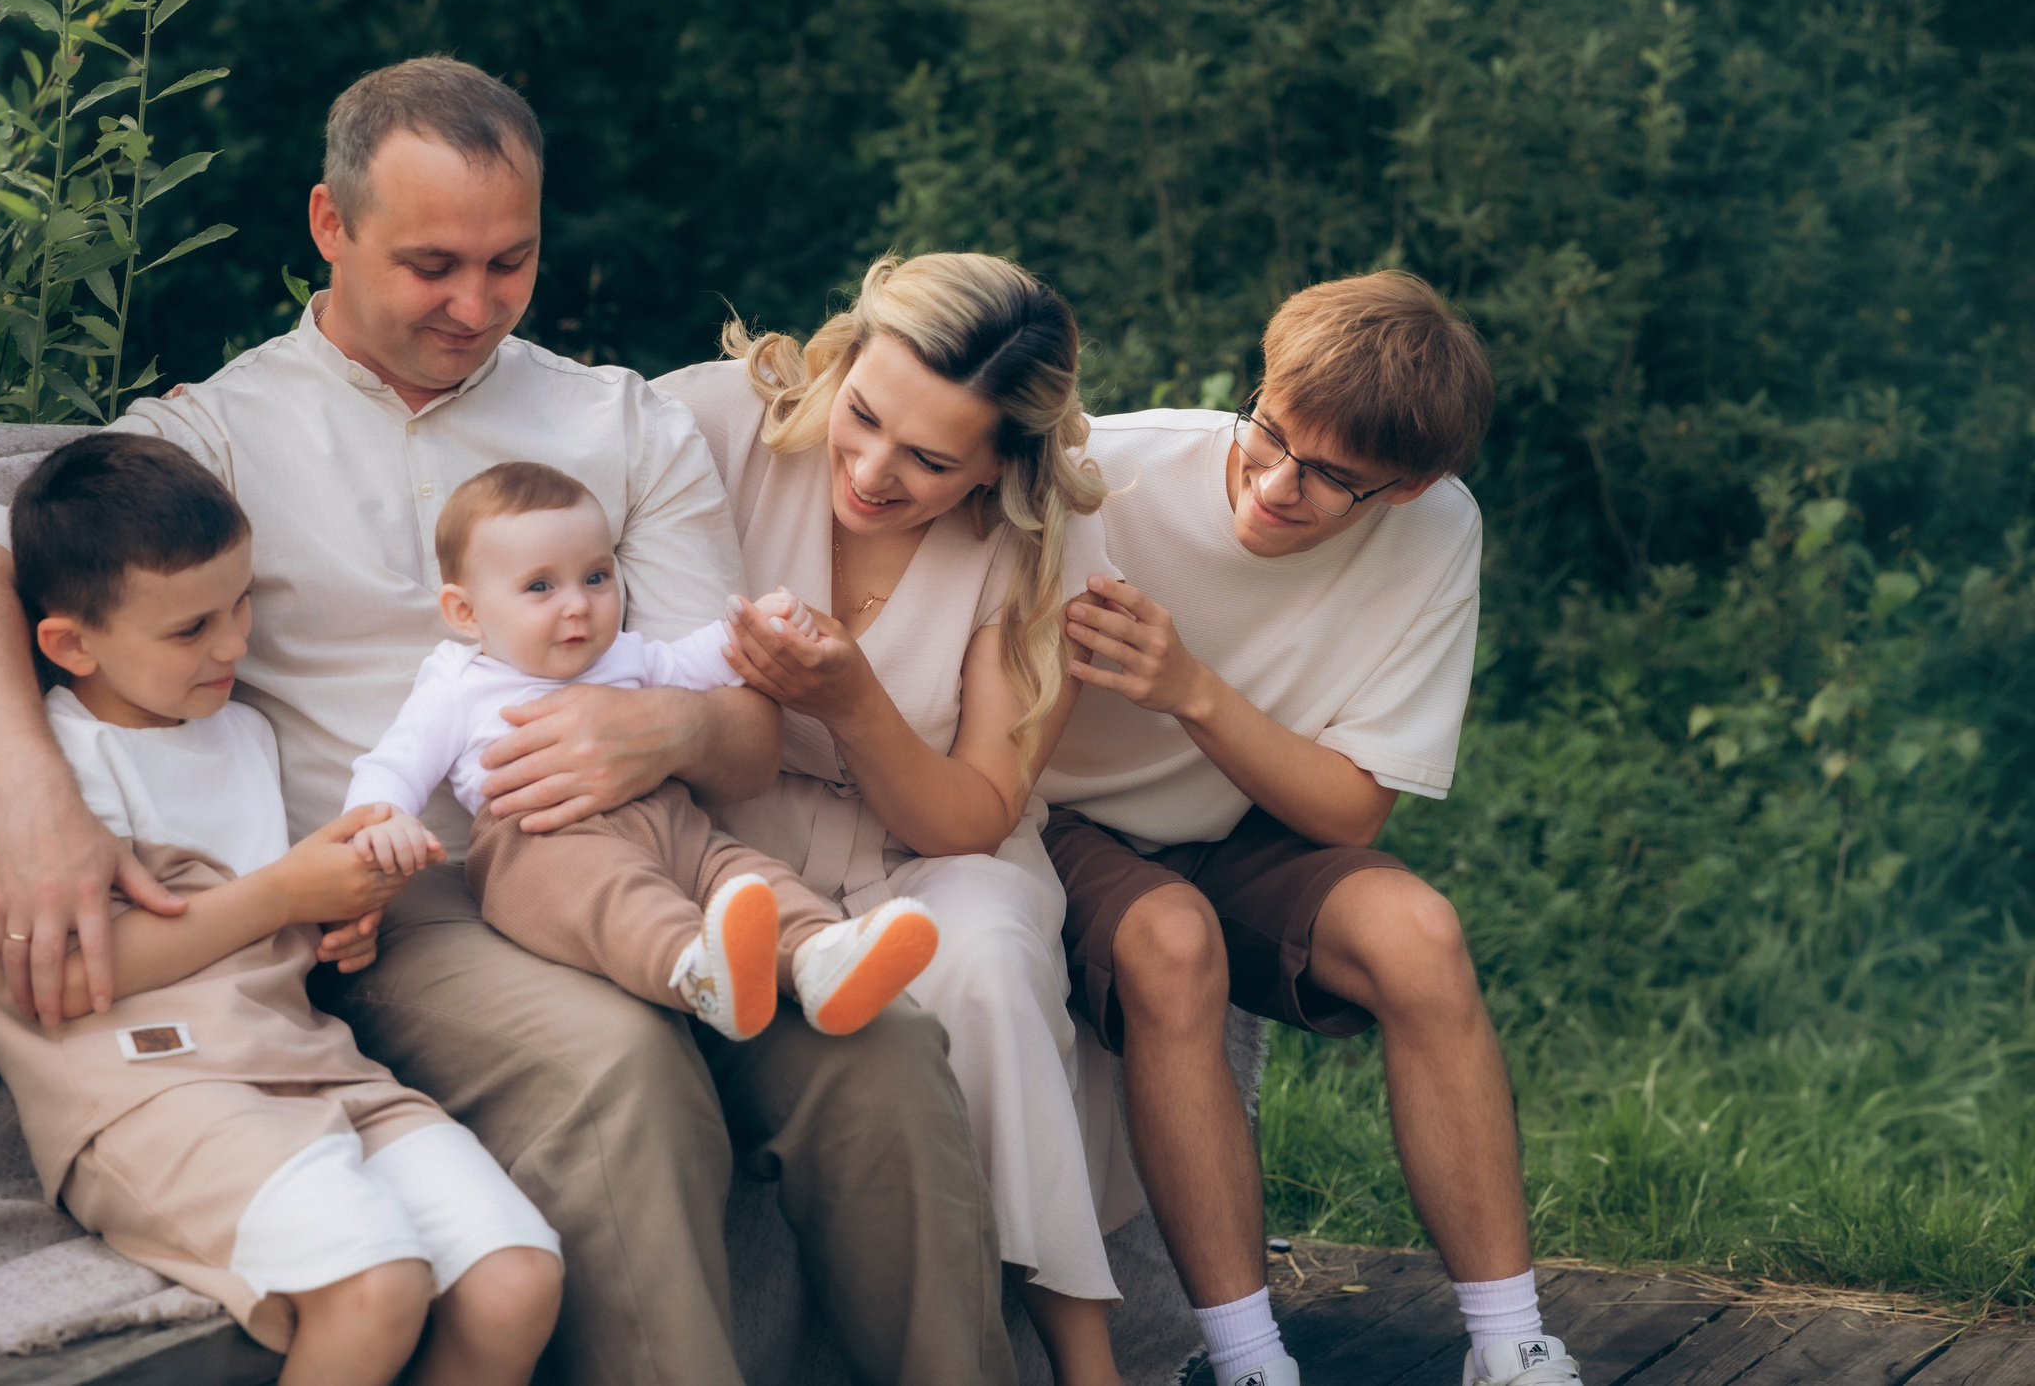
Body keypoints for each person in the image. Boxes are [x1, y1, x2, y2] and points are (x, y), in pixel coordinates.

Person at [0, 56, 1016, 1386]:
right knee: (616, 1064)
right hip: (404, 910)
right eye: (432, 263)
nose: (474, 304)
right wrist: (34, 802)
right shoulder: (221, 431)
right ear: (329, 225)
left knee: (876, 1042)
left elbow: (746, 734)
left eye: (511, 261)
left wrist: (658, 730)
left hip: (652, 854)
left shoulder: (622, 422)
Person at [1038, 271, 1584, 1386]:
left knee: (1419, 932)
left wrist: (1191, 689)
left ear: (1406, 486)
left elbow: (1350, 806)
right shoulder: (1104, 471)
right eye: (1269, 434)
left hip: (1236, 826)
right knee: (1170, 938)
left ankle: (1509, 1341)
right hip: (1059, 822)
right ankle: (1245, 1358)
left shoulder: (1437, 532)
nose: (1277, 485)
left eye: (1333, 478)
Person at [0, 430, 562, 1386]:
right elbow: (59, 980)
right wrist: (280, 894)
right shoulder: (51, 779)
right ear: (72, 645)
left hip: (308, 1066)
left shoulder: (242, 734)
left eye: (242, 605)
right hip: (149, 1090)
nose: (234, 643)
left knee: (515, 1279)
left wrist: (330, 924)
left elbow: (254, 938)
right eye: (190, 629)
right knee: (376, 1285)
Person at [655, 251, 1128, 1386]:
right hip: (732, 840)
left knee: (989, 962)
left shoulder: (1041, 537)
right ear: (844, 357)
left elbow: (973, 810)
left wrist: (853, 701)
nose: (869, 469)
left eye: (929, 460)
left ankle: (1087, 1359)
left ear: (999, 465)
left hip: (933, 846)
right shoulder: (711, 422)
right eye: (861, 416)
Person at [340, 459, 941, 1041]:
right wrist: (383, 816)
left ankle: (820, 954)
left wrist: (765, 623)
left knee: (743, 876)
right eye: (540, 586)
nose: (578, 604)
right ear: (465, 612)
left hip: (669, 819)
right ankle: (693, 968)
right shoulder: (458, 681)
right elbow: (396, 760)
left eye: (596, 577)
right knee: (613, 895)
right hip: (539, 838)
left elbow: (702, 659)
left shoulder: (626, 655)